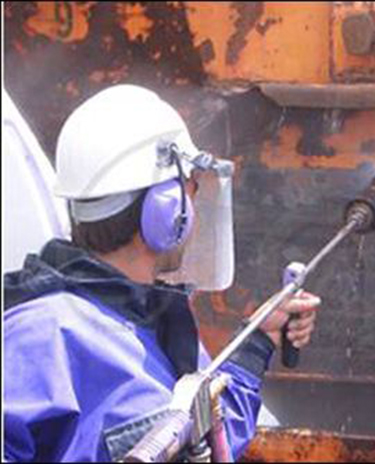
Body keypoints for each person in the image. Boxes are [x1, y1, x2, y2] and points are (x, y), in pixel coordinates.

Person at [3, 84, 320, 462]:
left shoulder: (148, 322)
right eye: (191, 191)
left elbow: (204, 437)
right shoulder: (40, 335)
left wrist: (257, 342)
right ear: (166, 210)